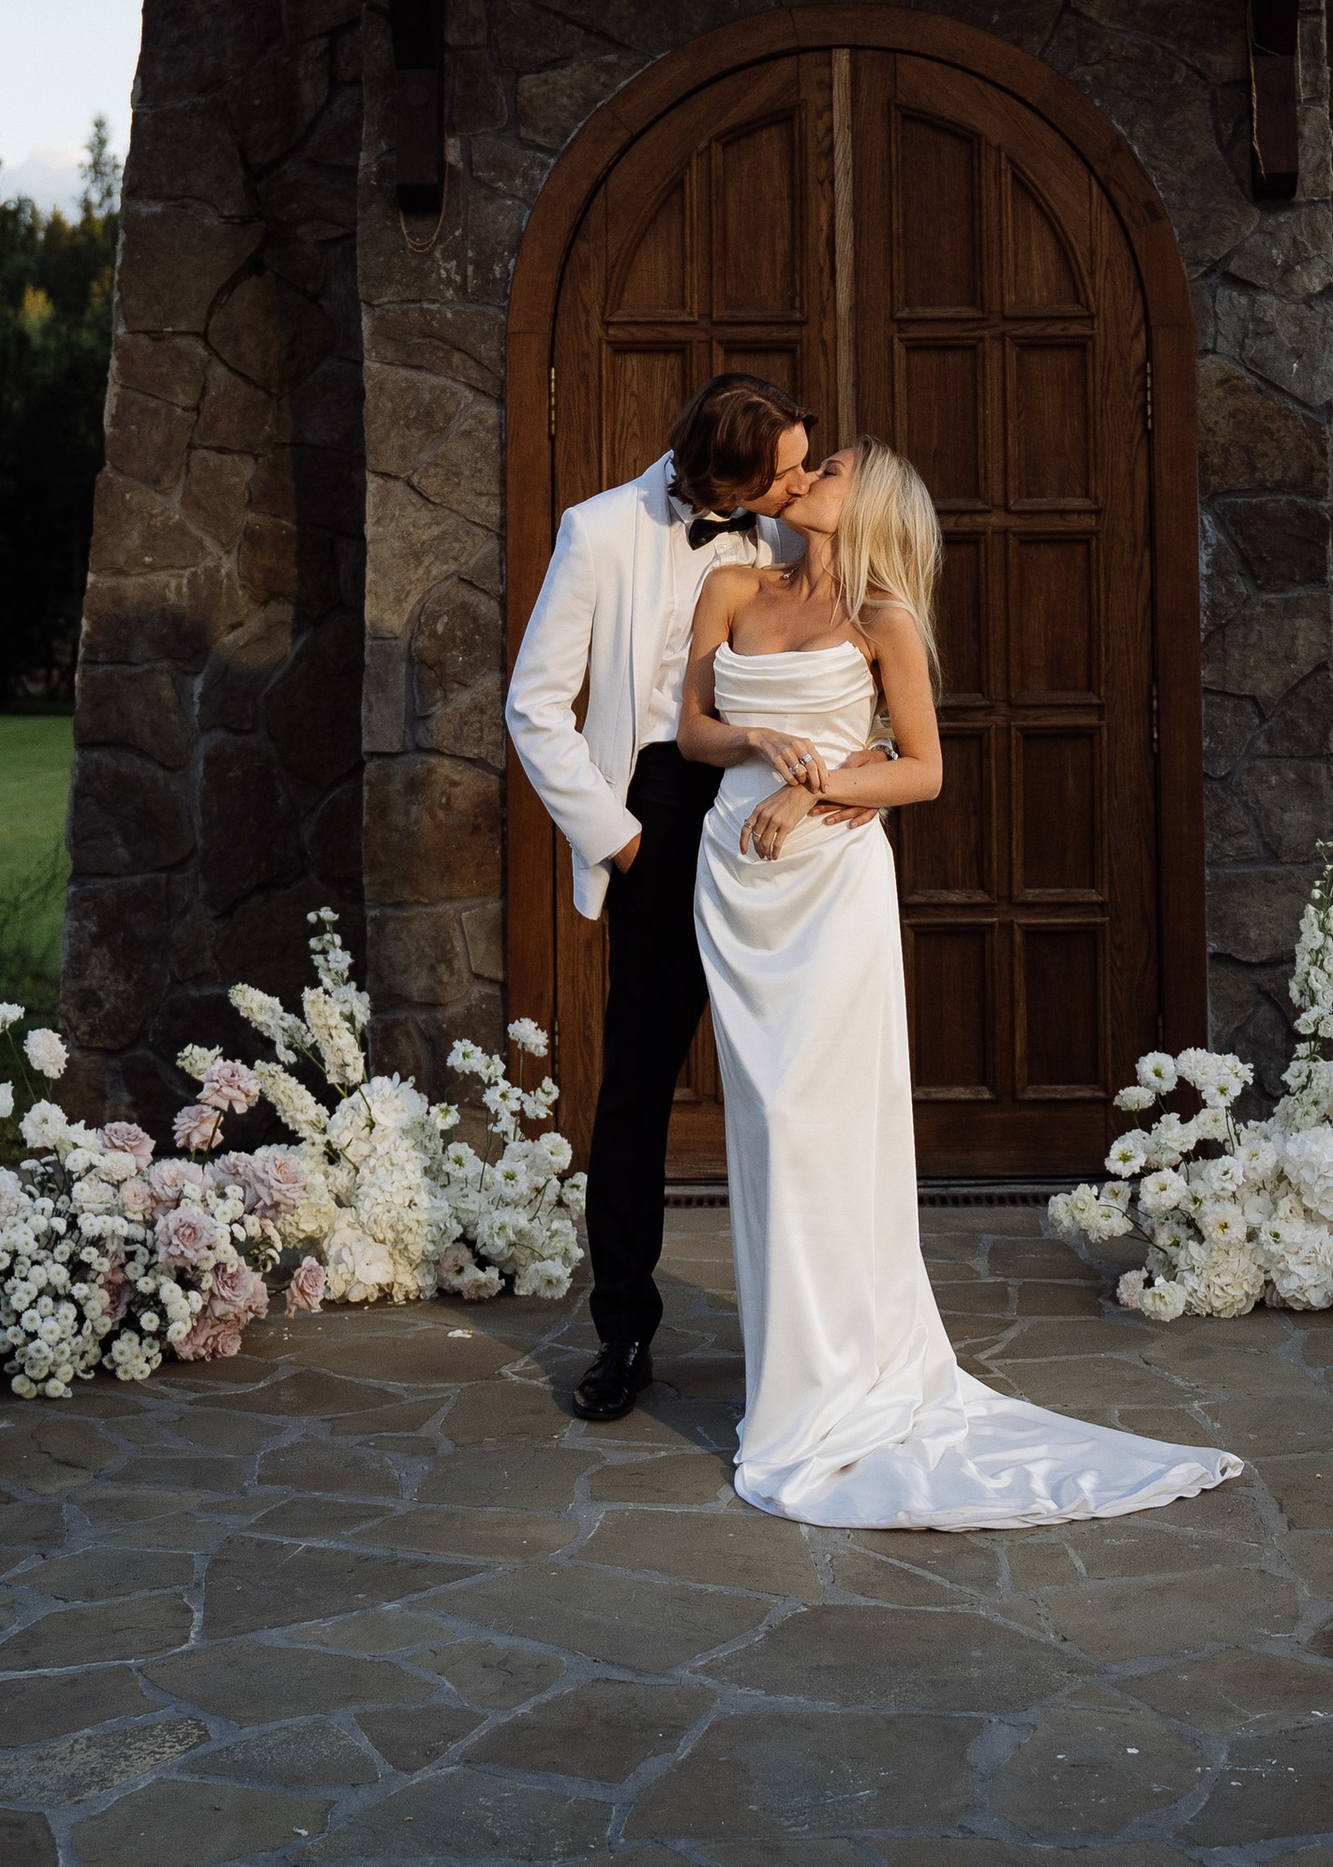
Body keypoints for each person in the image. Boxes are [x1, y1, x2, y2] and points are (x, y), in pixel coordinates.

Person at [678, 438, 1244, 1529]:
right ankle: (787, 1380)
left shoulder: (883, 620)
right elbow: (694, 728)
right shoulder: (731, 584)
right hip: (735, 879)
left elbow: (925, 769)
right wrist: (756, 739)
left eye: (832, 466)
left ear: (870, 501)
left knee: (819, 1120)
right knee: (764, 1123)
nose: (810, 475)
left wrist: (813, 791)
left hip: (831, 884)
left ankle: (840, 1382)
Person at [504, 372, 827, 1424]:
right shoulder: (597, 531)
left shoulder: (785, 536)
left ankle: (809, 1334)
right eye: (777, 472)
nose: (796, 485)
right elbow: (534, 706)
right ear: (719, 471)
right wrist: (623, 838)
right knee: (638, 1087)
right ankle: (623, 1331)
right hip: (654, 817)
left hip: (762, 818)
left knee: (783, 1082)